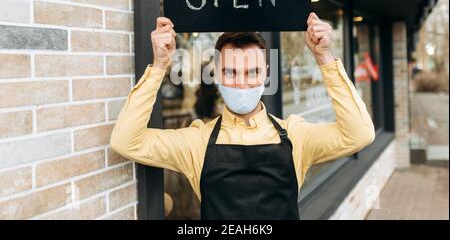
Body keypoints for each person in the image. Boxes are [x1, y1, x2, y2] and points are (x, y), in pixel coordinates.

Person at [110, 13, 375, 220]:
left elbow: (360, 134)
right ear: (216, 74)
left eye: (251, 72)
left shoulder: (296, 135)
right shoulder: (196, 141)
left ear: (265, 74)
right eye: (231, 72)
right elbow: (126, 141)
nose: (241, 83)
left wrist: (324, 57)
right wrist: (158, 67)